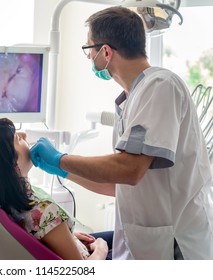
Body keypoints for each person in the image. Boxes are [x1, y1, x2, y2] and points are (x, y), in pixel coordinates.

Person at [30, 6, 213, 260]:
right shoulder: (130, 99)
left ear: (105, 52)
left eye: (89, 50)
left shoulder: (161, 86)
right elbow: (118, 184)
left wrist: (60, 159)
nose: (89, 58)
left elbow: (130, 169)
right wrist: (64, 170)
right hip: (146, 242)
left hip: (176, 244)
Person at [0, 118, 108, 260]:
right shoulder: (45, 212)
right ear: (14, 167)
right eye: (18, 138)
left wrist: (67, 238)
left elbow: (37, 239)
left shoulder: (3, 203)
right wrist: (101, 248)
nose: (25, 135)